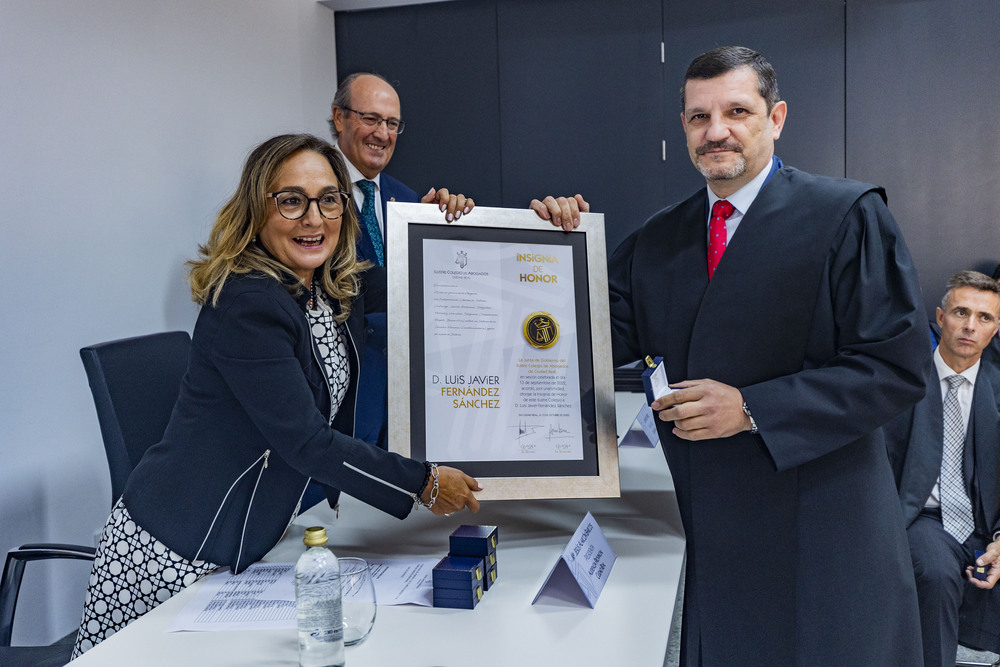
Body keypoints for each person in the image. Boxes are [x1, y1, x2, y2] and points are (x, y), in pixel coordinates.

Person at [71, 134, 481, 657]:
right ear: (256, 211)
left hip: (247, 546)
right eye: (292, 200)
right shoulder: (247, 302)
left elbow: (420, 279)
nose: (314, 218)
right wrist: (422, 483)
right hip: (175, 554)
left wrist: (437, 228)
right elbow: (307, 443)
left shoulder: (327, 285)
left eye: (329, 199)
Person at [602, 46, 929, 664]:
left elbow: (896, 366)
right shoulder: (657, 239)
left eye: (737, 111)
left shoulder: (848, 217)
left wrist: (753, 407)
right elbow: (591, 337)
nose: (716, 130)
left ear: (776, 118)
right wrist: (545, 243)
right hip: (712, 528)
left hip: (824, 523)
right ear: (683, 129)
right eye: (699, 117)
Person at [329, 72, 585, 449]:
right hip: (339, 404)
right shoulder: (314, 195)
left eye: (393, 123)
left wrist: (437, 238)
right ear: (339, 117)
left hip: (408, 402)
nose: (382, 134)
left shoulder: (408, 200)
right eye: (370, 119)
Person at [886, 270, 1000, 667]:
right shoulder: (900, 383)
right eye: (961, 312)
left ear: (996, 327)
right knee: (935, 574)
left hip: (987, 522)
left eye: (984, 318)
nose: (971, 326)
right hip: (922, 515)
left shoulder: (998, 390)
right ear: (939, 316)